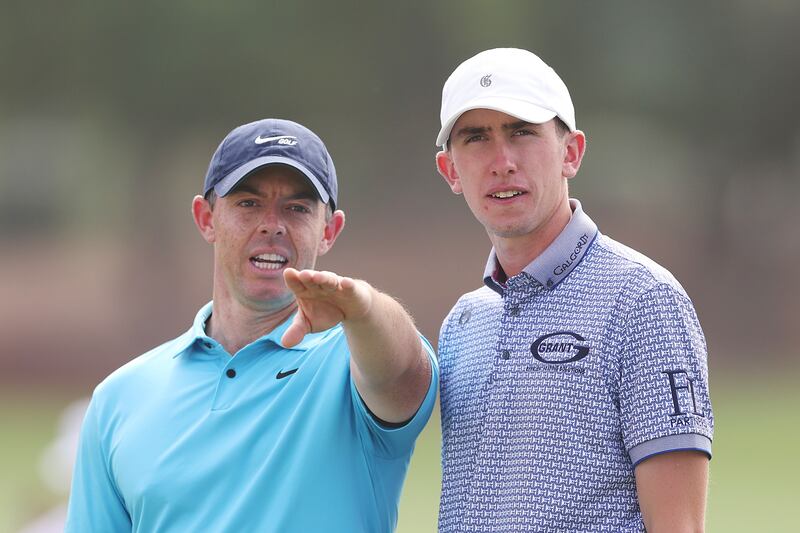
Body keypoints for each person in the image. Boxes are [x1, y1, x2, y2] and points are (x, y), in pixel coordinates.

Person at [65, 118, 438, 532]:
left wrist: (363, 308)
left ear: (329, 231)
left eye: (297, 208)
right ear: (206, 218)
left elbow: (405, 371)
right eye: (248, 203)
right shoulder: (119, 398)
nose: (272, 224)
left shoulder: (356, 361)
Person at [434, 48, 713, 532]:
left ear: (571, 152)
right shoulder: (463, 323)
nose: (502, 161)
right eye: (476, 138)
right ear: (451, 170)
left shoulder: (643, 301)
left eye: (522, 132)